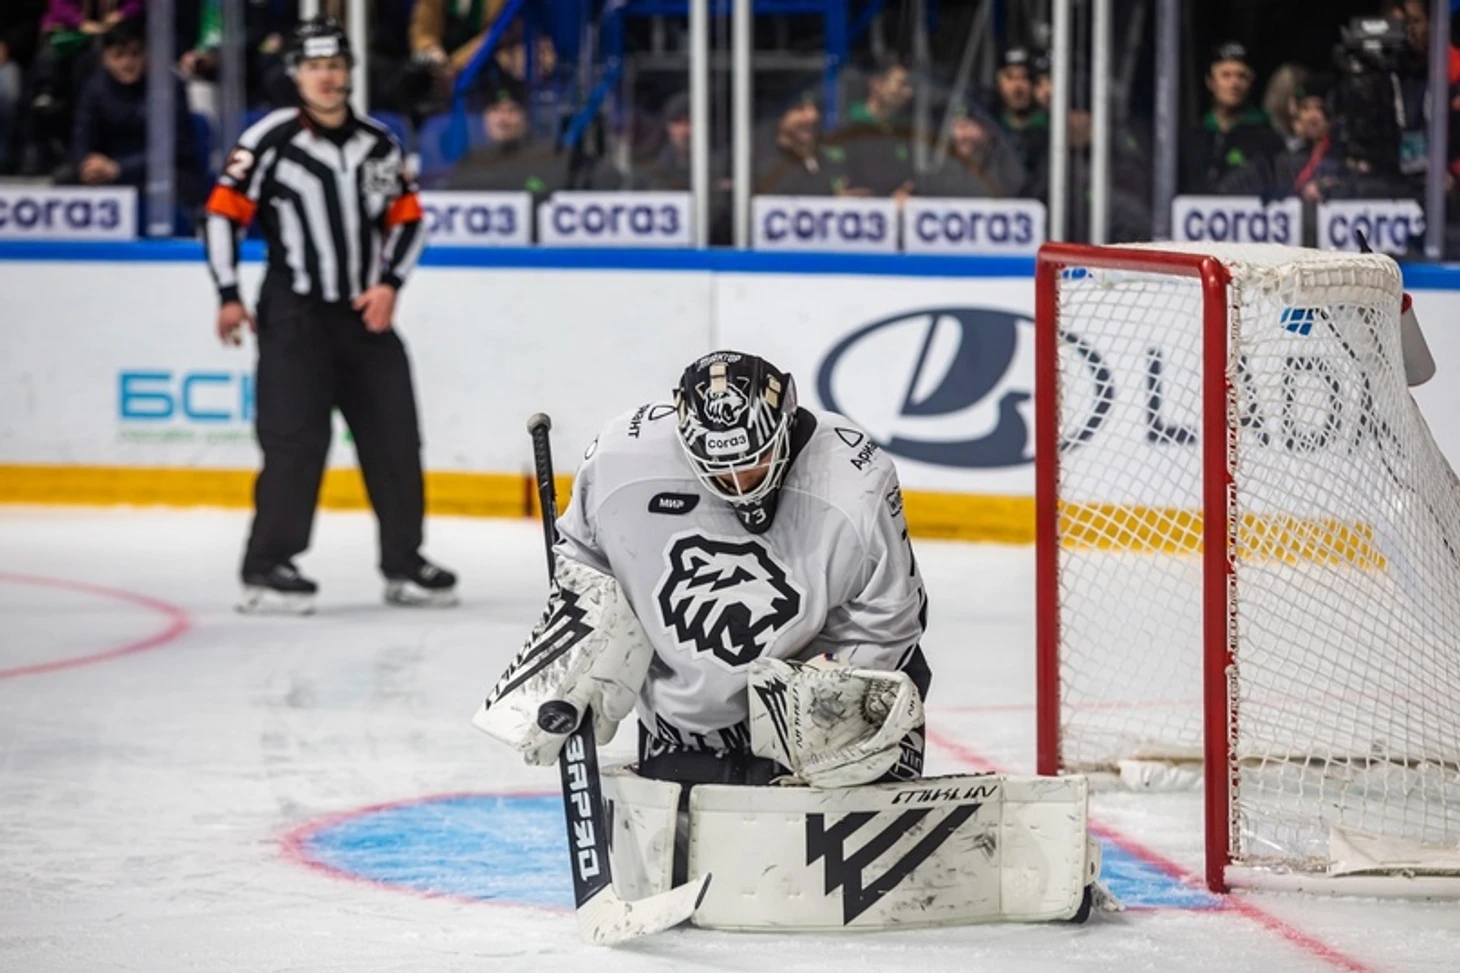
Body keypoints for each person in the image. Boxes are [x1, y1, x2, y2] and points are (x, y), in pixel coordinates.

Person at [484, 351, 932, 786]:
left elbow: (890, 619)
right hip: (682, 717)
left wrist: (831, 702)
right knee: (691, 856)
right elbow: (584, 566)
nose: (737, 482)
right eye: (719, 468)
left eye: (753, 463)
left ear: (786, 425)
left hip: (812, 703)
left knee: (830, 859)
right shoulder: (621, 461)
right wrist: (574, 660)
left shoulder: (852, 484)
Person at [202, 17, 457, 614]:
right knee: (295, 442)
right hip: (294, 314)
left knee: (395, 438)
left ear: (349, 72)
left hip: (365, 316)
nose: (327, 76)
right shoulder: (268, 141)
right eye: (315, 66)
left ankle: (404, 562)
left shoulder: (378, 143)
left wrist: (391, 284)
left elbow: (411, 219)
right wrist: (227, 293)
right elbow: (219, 215)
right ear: (296, 75)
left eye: (336, 65)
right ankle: (266, 566)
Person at [63, 19, 202, 217]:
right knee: (65, 179)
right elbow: (81, 135)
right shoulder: (93, 89)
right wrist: (86, 163)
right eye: (118, 55)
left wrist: (120, 168)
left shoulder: (169, 87)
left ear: (147, 55)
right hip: (107, 168)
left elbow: (172, 147)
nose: (127, 63)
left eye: (135, 54)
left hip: (164, 170)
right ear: (105, 58)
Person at [1179, 42, 1284, 194]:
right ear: (1210, 82)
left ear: (1251, 83)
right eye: (1226, 75)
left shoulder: (1268, 140)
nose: (1234, 83)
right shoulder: (1191, 138)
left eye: (1242, 76)